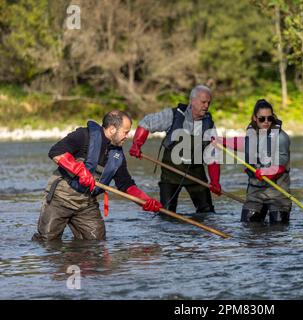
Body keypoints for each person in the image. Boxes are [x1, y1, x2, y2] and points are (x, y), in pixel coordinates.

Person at [32, 110, 162, 241]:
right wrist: (80, 171)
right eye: (126, 132)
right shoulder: (83, 135)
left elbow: (126, 185)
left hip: (86, 204)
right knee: (47, 242)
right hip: (60, 199)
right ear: (112, 129)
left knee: (97, 243)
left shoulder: (118, 155)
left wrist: (145, 200)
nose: (127, 136)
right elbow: (55, 152)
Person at [129, 85, 221, 213]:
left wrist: (215, 182)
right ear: (192, 100)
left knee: (207, 213)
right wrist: (136, 145)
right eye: (203, 102)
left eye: (208, 103)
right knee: (167, 213)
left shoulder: (209, 124)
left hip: (196, 174)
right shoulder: (173, 115)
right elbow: (146, 123)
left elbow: (213, 156)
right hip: (170, 174)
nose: (206, 106)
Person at [216, 99, 291, 223]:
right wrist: (222, 141)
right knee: (249, 230)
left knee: (278, 233)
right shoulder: (251, 133)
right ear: (255, 118)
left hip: (278, 194)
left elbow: (280, 166)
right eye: (262, 119)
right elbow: (242, 143)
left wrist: (266, 172)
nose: (266, 122)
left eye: (269, 118)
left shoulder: (282, 138)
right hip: (255, 194)